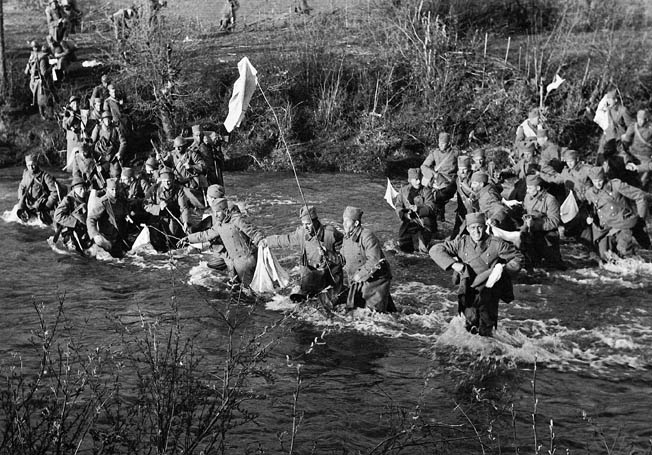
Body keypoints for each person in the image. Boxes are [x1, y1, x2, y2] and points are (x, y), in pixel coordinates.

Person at [430, 212, 523, 336]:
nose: (476, 231)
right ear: (468, 229)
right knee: (470, 324)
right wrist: (453, 264)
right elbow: (435, 249)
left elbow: (518, 258)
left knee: (486, 327)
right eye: (472, 228)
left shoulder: (497, 243)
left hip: (489, 289)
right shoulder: (461, 243)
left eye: (479, 227)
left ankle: (489, 350)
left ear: (485, 227)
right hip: (468, 288)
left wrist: (502, 270)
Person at [179, 189, 266, 288]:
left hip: (246, 260)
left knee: (251, 289)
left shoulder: (236, 219)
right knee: (242, 288)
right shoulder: (219, 225)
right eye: (215, 213)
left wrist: (260, 240)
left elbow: (252, 231)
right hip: (236, 261)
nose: (216, 215)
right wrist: (188, 238)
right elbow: (206, 234)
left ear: (225, 211)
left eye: (218, 213)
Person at [265, 205, 344, 302]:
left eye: (308, 224)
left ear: (315, 221)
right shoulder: (302, 232)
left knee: (331, 303)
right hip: (310, 276)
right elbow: (286, 239)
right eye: (303, 224)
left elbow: (343, 259)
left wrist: (328, 254)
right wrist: (267, 241)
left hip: (329, 277)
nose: (305, 227)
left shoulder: (331, 234)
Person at [585, 167, 649, 259]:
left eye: (600, 180)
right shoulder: (590, 193)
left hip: (623, 223)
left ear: (604, 178)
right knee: (605, 257)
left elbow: (640, 195)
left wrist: (641, 217)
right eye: (595, 181)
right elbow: (590, 208)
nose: (598, 184)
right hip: (606, 228)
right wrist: (590, 217)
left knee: (624, 252)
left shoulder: (616, 185)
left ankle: (637, 267)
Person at [341, 206, 395, 313]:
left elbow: (375, 260)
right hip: (360, 280)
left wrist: (359, 275)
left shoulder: (367, 236)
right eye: (343, 221)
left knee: (374, 316)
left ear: (356, 223)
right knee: (356, 312)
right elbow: (342, 258)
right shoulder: (347, 238)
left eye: (347, 222)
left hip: (376, 280)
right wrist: (327, 255)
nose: (343, 224)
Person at [546, 149, 593, 245]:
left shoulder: (586, 169)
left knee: (588, 225)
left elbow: (597, 177)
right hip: (574, 203)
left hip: (587, 202)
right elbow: (555, 179)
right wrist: (541, 175)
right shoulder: (566, 172)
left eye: (571, 161)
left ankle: (590, 246)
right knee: (576, 225)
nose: (569, 164)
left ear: (577, 159)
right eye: (567, 161)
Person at [520, 175, 564, 269]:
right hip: (532, 233)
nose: (527, 190)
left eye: (530, 188)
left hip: (547, 233)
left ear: (538, 188)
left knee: (554, 266)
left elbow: (554, 221)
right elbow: (526, 211)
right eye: (527, 188)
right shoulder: (528, 197)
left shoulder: (550, 200)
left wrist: (535, 224)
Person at [144, 169, 192, 251]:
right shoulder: (154, 189)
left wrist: (185, 222)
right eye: (164, 181)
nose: (167, 183)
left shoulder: (179, 190)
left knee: (173, 238)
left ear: (173, 180)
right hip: (157, 217)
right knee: (156, 239)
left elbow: (183, 208)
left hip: (173, 216)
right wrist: (159, 207)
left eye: (169, 181)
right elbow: (146, 206)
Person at [394, 168, 435, 253]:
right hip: (407, 223)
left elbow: (431, 208)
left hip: (423, 225)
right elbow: (398, 206)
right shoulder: (403, 191)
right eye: (416, 179)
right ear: (410, 180)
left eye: (420, 179)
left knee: (422, 251)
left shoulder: (426, 191)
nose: (419, 182)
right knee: (402, 248)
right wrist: (404, 215)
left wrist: (418, 209)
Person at [87, 178, 131, 257]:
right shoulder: (103, 202)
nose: (114, 192)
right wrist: (95, 234)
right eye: (112, 189)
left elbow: (125, 208)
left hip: (120, 235)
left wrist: (127, 215)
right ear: (107, 189)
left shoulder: (121, 199)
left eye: (116, 189)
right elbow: (91, 219)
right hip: (107, 237)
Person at [420, 132, 458, 221]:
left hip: (450, 182)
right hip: (437, 182)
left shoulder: (455, 153)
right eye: (439, 143)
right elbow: (424, 166)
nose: (440, 145)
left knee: (438, 199)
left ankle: (438, 217)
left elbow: (462, 167)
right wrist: (433, 174)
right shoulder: (434, 153)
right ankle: (438, 218)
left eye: (443, 143)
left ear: (449, 143)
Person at [16, 154, 60, 224]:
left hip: (41, 205)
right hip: (28, 204)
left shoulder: (45, 176)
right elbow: (21, 186)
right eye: (29, 165)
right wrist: (21, 199)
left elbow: (54, 192)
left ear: (36, 164)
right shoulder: (26, 174)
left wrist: (47, 205)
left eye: (33, 165)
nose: (31, 167)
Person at [53, 175, 91, 252]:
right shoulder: (68, 199)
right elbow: (57, 216)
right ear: (74, 190)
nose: (83, 191)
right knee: (73, 249)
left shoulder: (88, 196)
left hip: (84, 225)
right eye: (80, 189)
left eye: (84, 188)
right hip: (71, 227)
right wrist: (75, 222)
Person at [594, 90, 633, 163]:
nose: (608, 101)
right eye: (607, 99)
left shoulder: (623, 110)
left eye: (610, 99)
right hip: (608, 138)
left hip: (619, 139)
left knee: (622, 159)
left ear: (615, 100)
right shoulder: (608, 109)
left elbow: (631, 125)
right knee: (601, 159)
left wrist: (626, 136)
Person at [621, 109, 652, 190]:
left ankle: (642, 191)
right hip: (632, 154)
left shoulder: (650, 129)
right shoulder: (633, 127)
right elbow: (626, 142)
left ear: (646, 119)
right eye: (638, 119)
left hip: (645, 157)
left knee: (643, 178)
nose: (640, 121)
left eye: (642, 119)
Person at [91, 111, 127, 178]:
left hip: (113, 156)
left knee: (116, 174)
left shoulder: (116, 129)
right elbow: (92, 141)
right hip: (101, 157)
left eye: (109, 119)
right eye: (105, 119)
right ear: (102, 120)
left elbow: (123, 142)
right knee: (100, 176)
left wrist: (120, 153)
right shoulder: (98, 128)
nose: (107, 121)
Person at [451, 155, 478, 238]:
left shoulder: (475, 178)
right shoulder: (457, 179)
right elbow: (449, 190)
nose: (462, 172)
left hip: (473, 213)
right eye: (460, 169)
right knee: (455, 236)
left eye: (464, 169)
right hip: (461, 213)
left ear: (469, 168)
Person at [62, 95, 85, 172]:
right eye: (74, 104)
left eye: (77, 104)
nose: (76, 105)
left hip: (79, 136)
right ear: (71, 105)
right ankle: (71, 171)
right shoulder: (67, 113)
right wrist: (71, 116)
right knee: (71, 157)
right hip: (72, 138)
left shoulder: (80, 112)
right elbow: (65, 125)